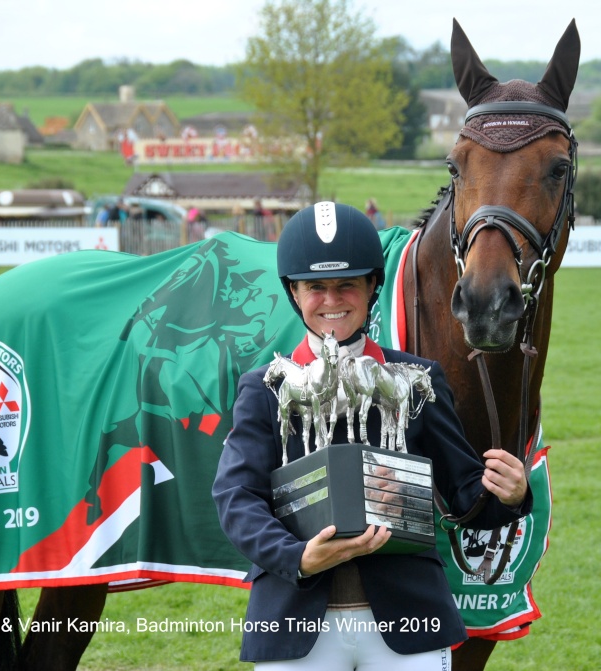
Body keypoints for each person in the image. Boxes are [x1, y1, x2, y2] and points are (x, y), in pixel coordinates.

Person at [213, 201, 531, 669]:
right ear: (294, 294)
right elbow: (236, 497)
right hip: (294, 621)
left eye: (347, 285)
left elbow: (465, 493)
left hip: (409, 622)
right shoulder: (264, 388)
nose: (332, 299)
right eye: (315, 287)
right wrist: (298, 557)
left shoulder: (419, 379)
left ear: (372, 288)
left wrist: (508, 493)